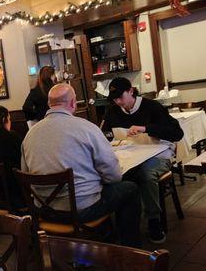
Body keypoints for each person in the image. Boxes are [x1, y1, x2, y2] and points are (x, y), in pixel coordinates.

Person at [21, 83, 142, 248]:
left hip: (44, 211)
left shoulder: (29, 135)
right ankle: (129, 249)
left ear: (50, 104)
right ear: (73, 104)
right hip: (81, 210)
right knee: (130, 189)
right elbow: (113, 176)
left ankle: (103, 238)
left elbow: (26, 173)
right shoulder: (87, 128)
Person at [102, 77, 184, 244]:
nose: (118, 102)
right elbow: (104, 133)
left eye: (121, 97)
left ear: (131, 91)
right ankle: (122, 224)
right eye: (115, 99)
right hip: (129, 153)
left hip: (157, 153)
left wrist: (146, 129)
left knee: (146, 174)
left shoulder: (152, 107)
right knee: (113, 173)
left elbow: (177, 133)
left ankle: (154, 220)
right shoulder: (112, 111)